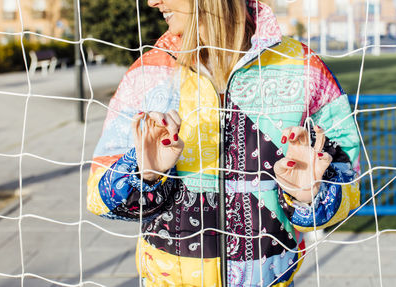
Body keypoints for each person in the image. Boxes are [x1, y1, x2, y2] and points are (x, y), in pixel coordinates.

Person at [86, 0, 360, 286]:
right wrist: (145, 175)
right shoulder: (149, 73)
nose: (152, 1)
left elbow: (350, 180)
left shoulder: (302, 66)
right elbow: (98, 195)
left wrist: (309, 197)